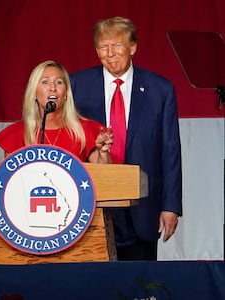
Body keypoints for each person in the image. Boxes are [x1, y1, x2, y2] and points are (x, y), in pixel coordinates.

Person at [70, 17, 182, 260]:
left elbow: (170, 151)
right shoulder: (77, 85)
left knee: (139, 286)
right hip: (92, 202)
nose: (109, 54)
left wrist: (170, 205)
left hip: (142, 206)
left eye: (117, 46)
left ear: (133, 48)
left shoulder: (160, 89)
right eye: (103, 47)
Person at [0, 60, 113, 164]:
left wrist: (103, 153)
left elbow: (103, 176)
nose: (53, 88)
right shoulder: (16, 134)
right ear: (34, 92)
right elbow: (9, 180)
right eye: (45, 82)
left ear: (66, 93)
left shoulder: (86, 130)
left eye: (59, 82)